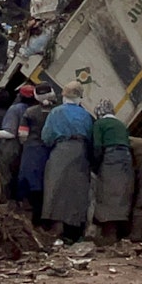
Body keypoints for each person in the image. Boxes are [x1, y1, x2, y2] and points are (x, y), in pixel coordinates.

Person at [40, 82, 94, 242]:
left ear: (64, 95)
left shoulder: (56, 112)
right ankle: (74, 230)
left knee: (55, 188)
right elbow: (91, 137)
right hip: (80, 152)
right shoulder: (86, 115)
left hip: (60, 151)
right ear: (80, 97)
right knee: (76, 191)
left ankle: (56, 227)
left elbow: (46, 136)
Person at [91, 101, 133, 241]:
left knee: (108, 192)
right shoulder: (121, 124)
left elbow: (97, 146)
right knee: (122, 192)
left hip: (110, 158)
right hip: (126, 158)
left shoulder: (99, 124)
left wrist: (95, 167)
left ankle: (110, 232)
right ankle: (122, 228)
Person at [17, 83, 57, 225]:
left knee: (29, 182)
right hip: (52, 151)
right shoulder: (57, 111)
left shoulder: (30, 112)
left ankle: (29, 216)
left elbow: (22, 134)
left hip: (32, 150)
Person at [0, 84, 32, 205]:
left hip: (9, 148)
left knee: (4, 176)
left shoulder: (15, 109)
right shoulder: (32, 109)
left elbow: (10, 132)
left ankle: (3, 202)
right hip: (24, 149)